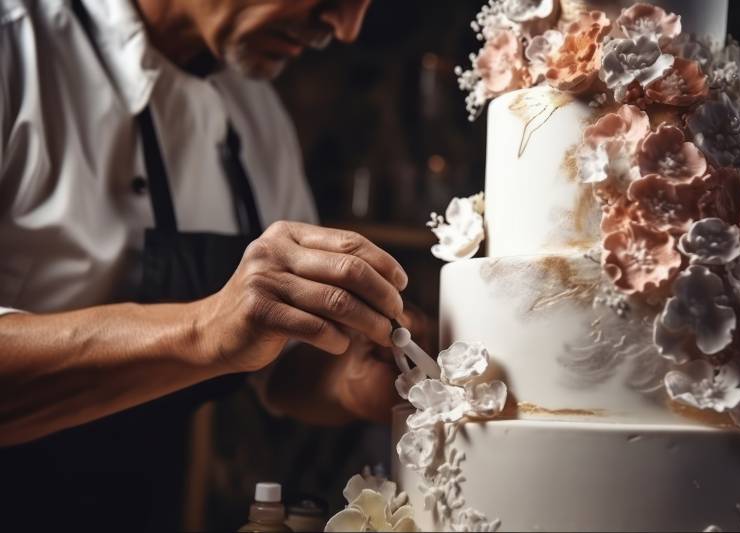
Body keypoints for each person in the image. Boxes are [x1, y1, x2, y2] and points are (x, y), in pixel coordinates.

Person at [0, 0, 427, 529]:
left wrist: (349, 376)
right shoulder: (15, 46)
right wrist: (204, 329)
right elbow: (220, 328)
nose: (345, 29)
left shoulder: (255, 109)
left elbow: (283, 363)